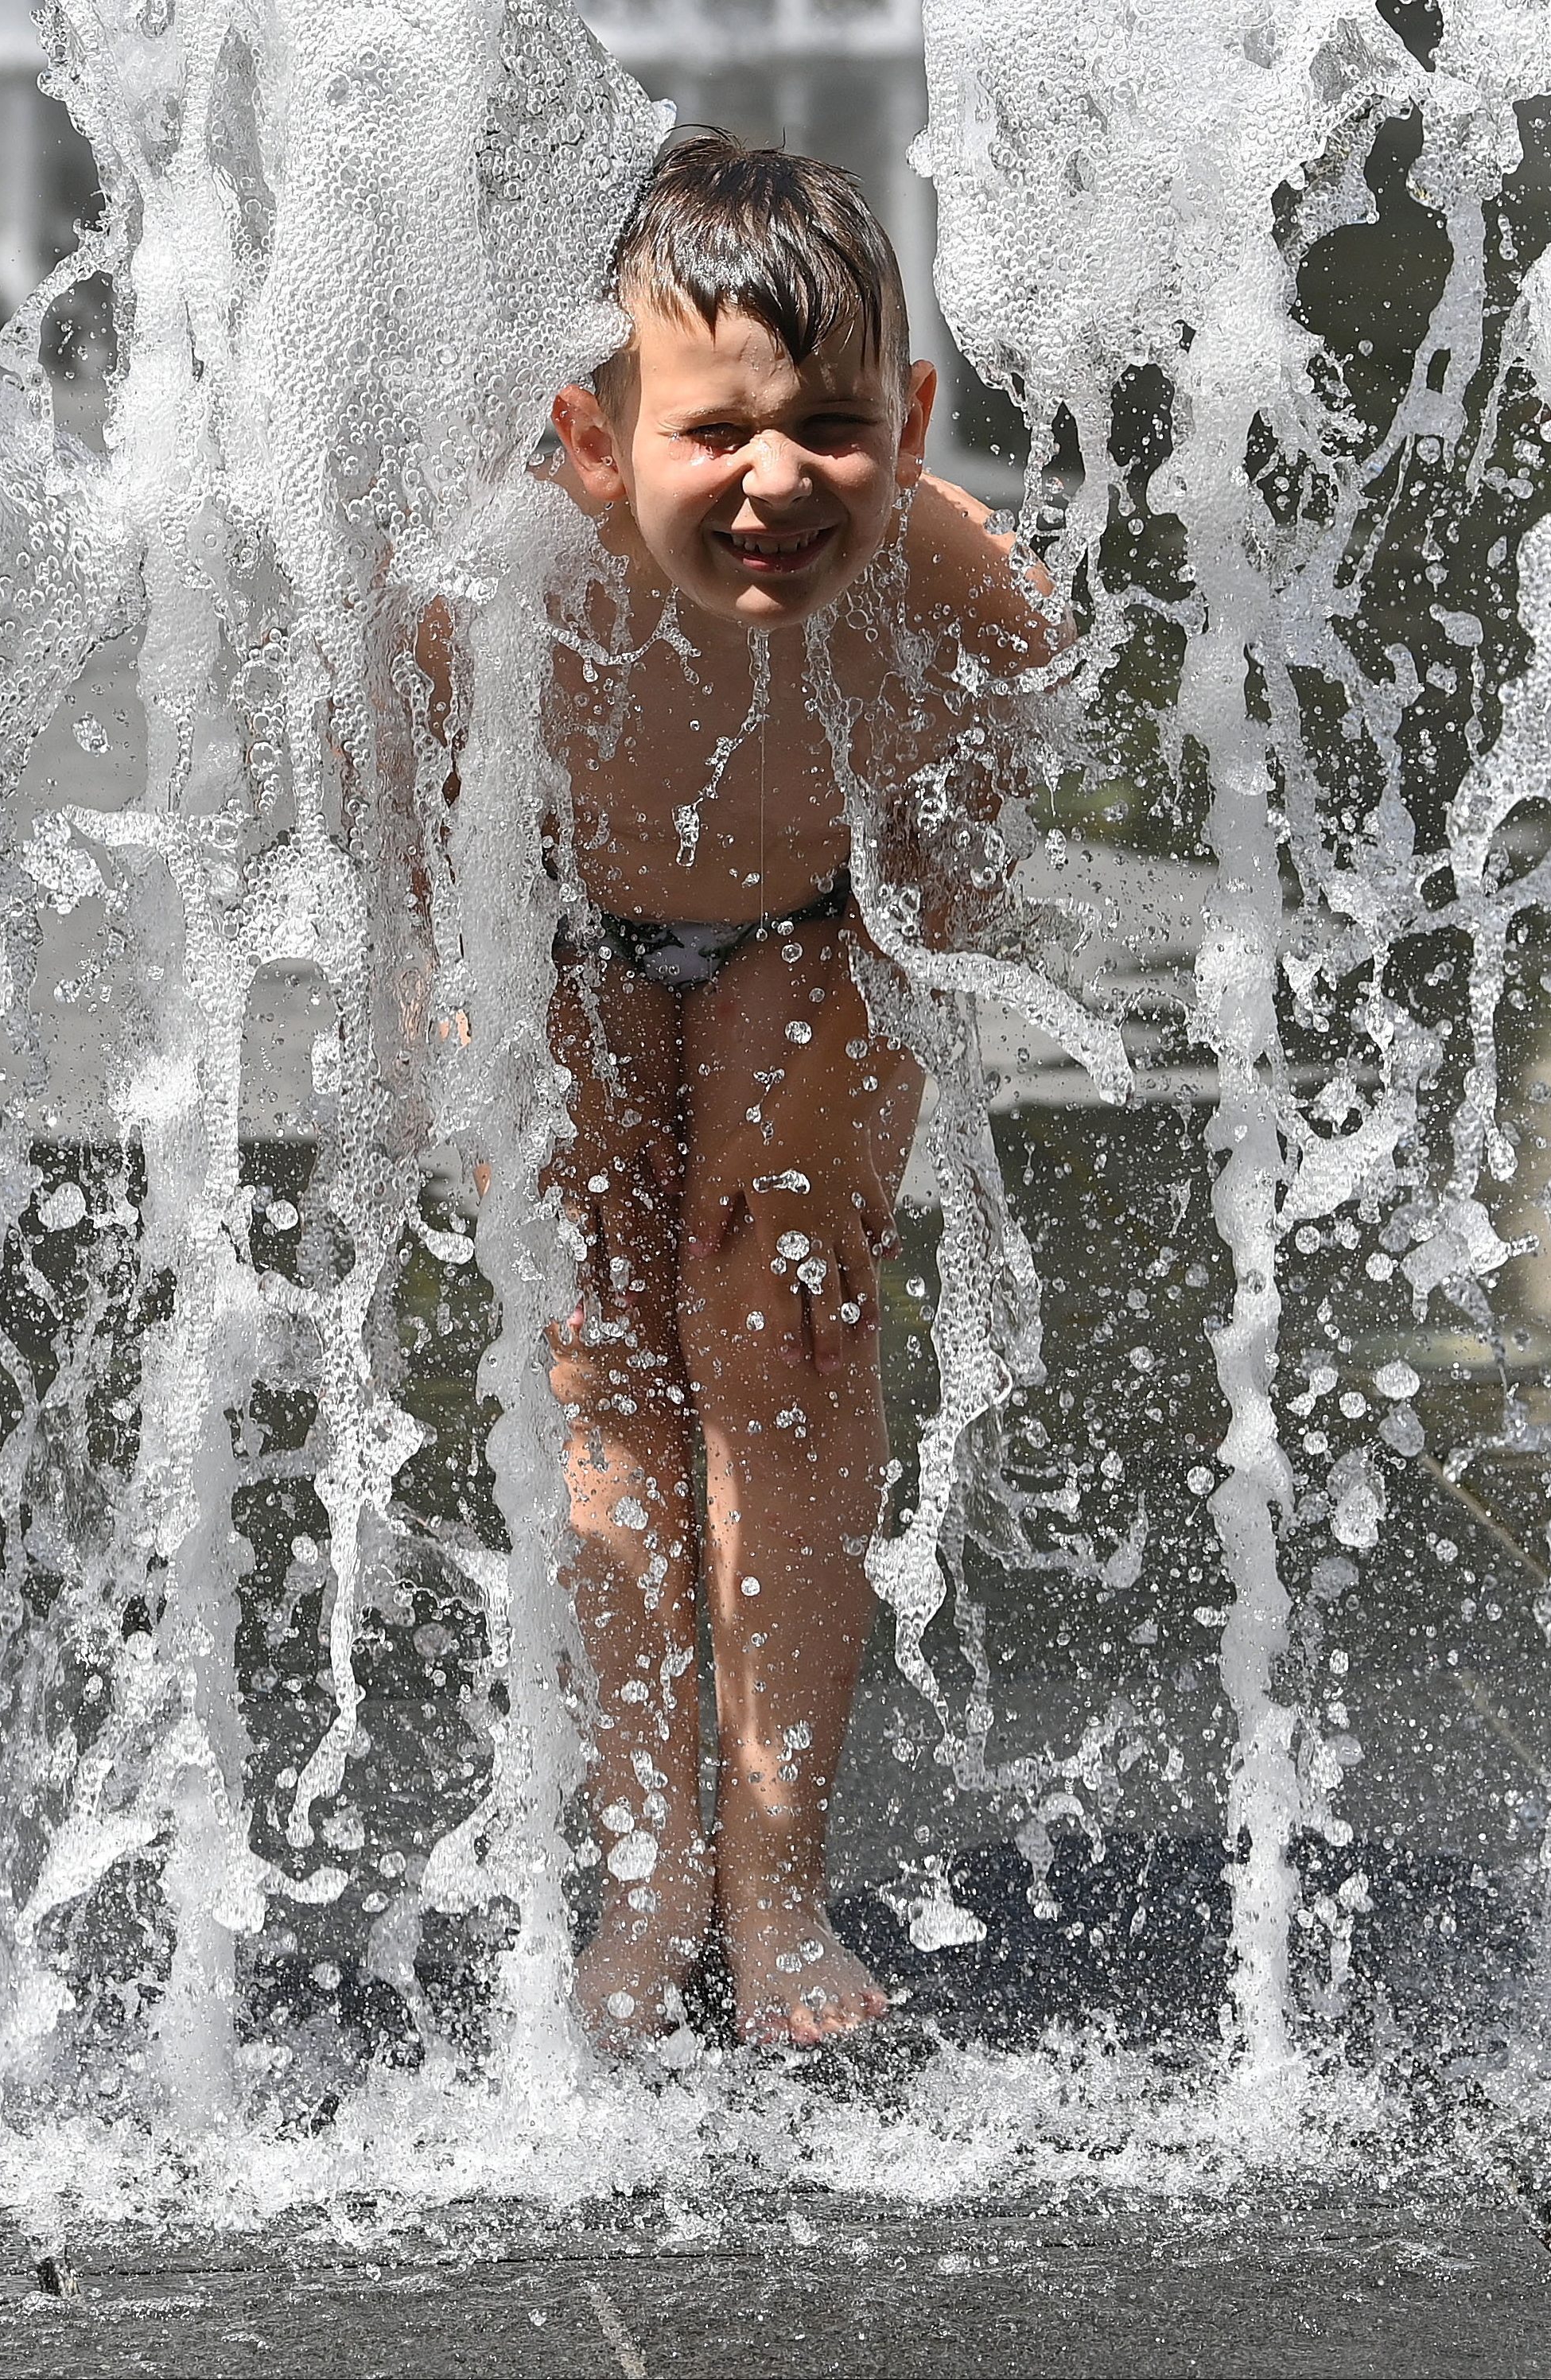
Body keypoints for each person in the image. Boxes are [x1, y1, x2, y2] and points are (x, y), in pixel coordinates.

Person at [531, 127, 1055, 2053]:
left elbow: (1003, 731)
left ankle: (770, 1882)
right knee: (611, 1344)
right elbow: (401, 763)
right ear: (596, 443)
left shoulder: (952, 576)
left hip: (812, 926)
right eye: (713, 432)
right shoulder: (514, 591)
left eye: (831, 426)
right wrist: (441, 996)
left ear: (910, 419)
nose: (776, 480)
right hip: (568, 932)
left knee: (785, 1331)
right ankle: (644, 1872)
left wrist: (925, 929)